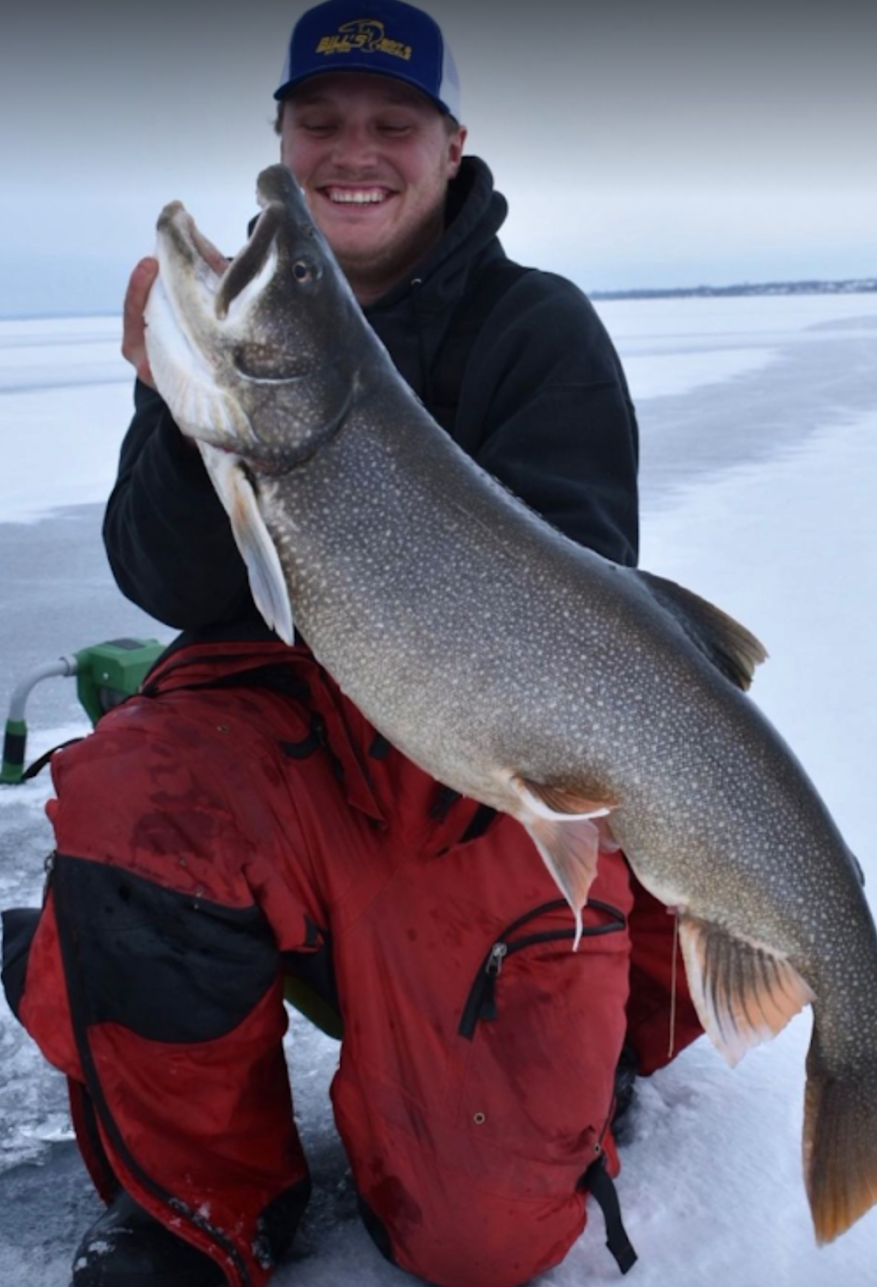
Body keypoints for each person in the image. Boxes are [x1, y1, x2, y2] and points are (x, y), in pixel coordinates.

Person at [2, 2, 702, 1284]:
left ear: (450, 146)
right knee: (136, 803)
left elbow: (580, 613)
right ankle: (202, 1207)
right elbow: (162, 575)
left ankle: (599, 1021)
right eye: (316, 123)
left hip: (471, 745)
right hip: (274, 719)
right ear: (281, 132)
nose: (351, 151)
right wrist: (180, 415)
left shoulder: (536, 332)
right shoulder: (239, 335)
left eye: (392, 124)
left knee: (484, 1241)